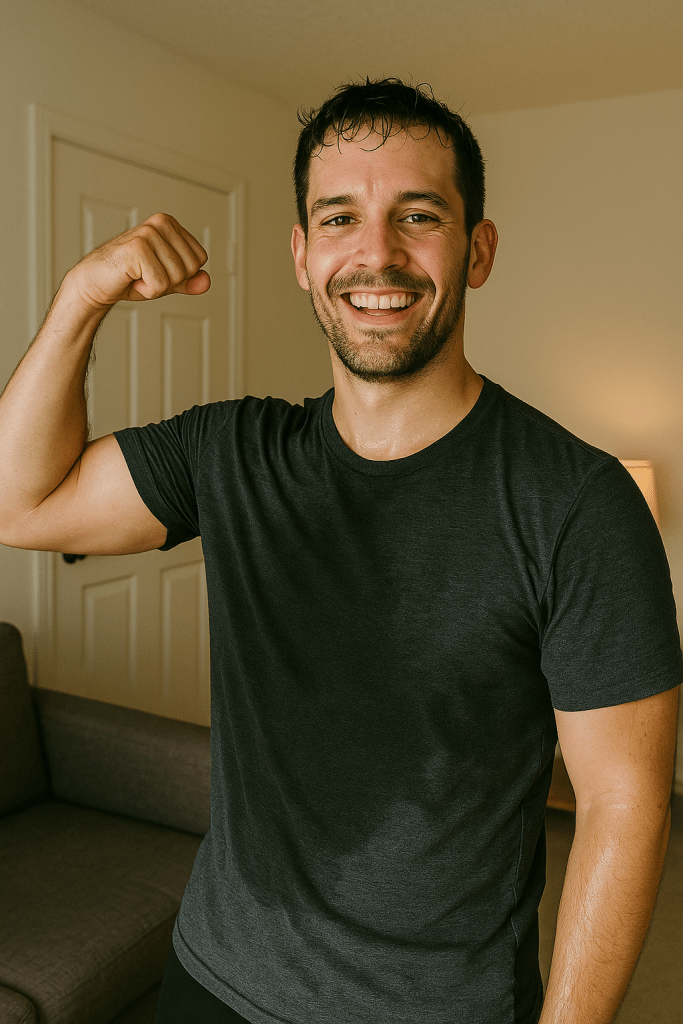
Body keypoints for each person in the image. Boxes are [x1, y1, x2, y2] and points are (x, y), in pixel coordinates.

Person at [0, 77, 680, 1024]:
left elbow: (623, 805)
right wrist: (82, 297)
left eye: (418, 214)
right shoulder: (230, 451)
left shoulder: (577, 503)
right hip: (210, 982)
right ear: (301, 253)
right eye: (338, 217)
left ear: (477, 250)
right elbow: (18, 502)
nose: (376, 253)